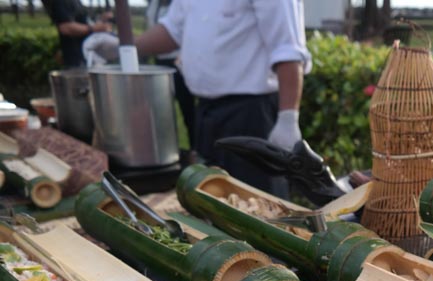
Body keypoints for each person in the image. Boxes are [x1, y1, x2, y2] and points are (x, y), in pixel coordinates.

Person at [134, 0, 311, 198]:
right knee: (213, 202)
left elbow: (287, 49)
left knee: (258, 207)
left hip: (251, 118)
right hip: (206, 112)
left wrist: (288, 117)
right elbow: (172, 30)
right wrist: (127, 47)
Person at [145, 0, 196, 150]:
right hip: (159, 63)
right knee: (160, 110)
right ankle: (165, 147)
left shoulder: (180, 4)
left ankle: (195, 147)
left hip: (179, 62)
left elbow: (181, 32)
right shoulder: (153, 5)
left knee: (187, 109)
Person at [42, 0, 113, 68]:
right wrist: (94, 28)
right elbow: (65, 27)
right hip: (77, 61)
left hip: (88, 58)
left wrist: (100, 21)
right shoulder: (60, 2)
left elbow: (84, 22)